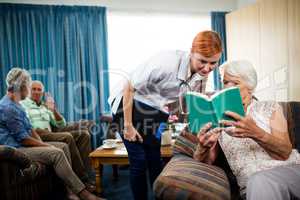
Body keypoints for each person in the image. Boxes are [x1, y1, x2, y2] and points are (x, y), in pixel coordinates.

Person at [108, 30, 223, 200]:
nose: (207, 68)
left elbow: (192, 103)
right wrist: (128, 126)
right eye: (202, 61)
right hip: (129, 102)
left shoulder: (202, 75)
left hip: (157, 109)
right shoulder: (166, 61)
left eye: (213, 63)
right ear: (191, 52)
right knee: (139, 161)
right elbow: (129, 85)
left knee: (155, 158)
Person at [192, 60, 300, 200]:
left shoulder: (270, 108)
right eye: (225, 83)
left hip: (290, 174)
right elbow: (207, 163)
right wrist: (202, 147)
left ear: (249, 86)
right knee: (257, 182)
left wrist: (255, 132)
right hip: (253, 187)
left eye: (235, 83)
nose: (228, 88)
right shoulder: (220, 118)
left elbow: (285, 152)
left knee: (260, 181)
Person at [0, 68, 104, 200]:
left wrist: (44, 144)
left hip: (25, 143)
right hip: (17, 150)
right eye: (29, 85)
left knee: (63, 146)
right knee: (57, 152)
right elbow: (24, 139)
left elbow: (30, 129)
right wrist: (45, 146)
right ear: (21, 86)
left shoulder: (17, 104)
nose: (30, 88)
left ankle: (70, 190)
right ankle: (84, 194)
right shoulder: (8, 107)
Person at [20, 80, 94, 190]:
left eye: (39, 89)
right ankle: (83, 180)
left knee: (84, 135)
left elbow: (61, 123)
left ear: (42, 93)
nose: (36, 91)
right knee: (67, 137)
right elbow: (25, 126)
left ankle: (89, 176)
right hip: (36, 134)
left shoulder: (45, 107)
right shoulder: (23, 104)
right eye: (33, 89)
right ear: (29, 91)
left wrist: (54, 110)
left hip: (50, 133)